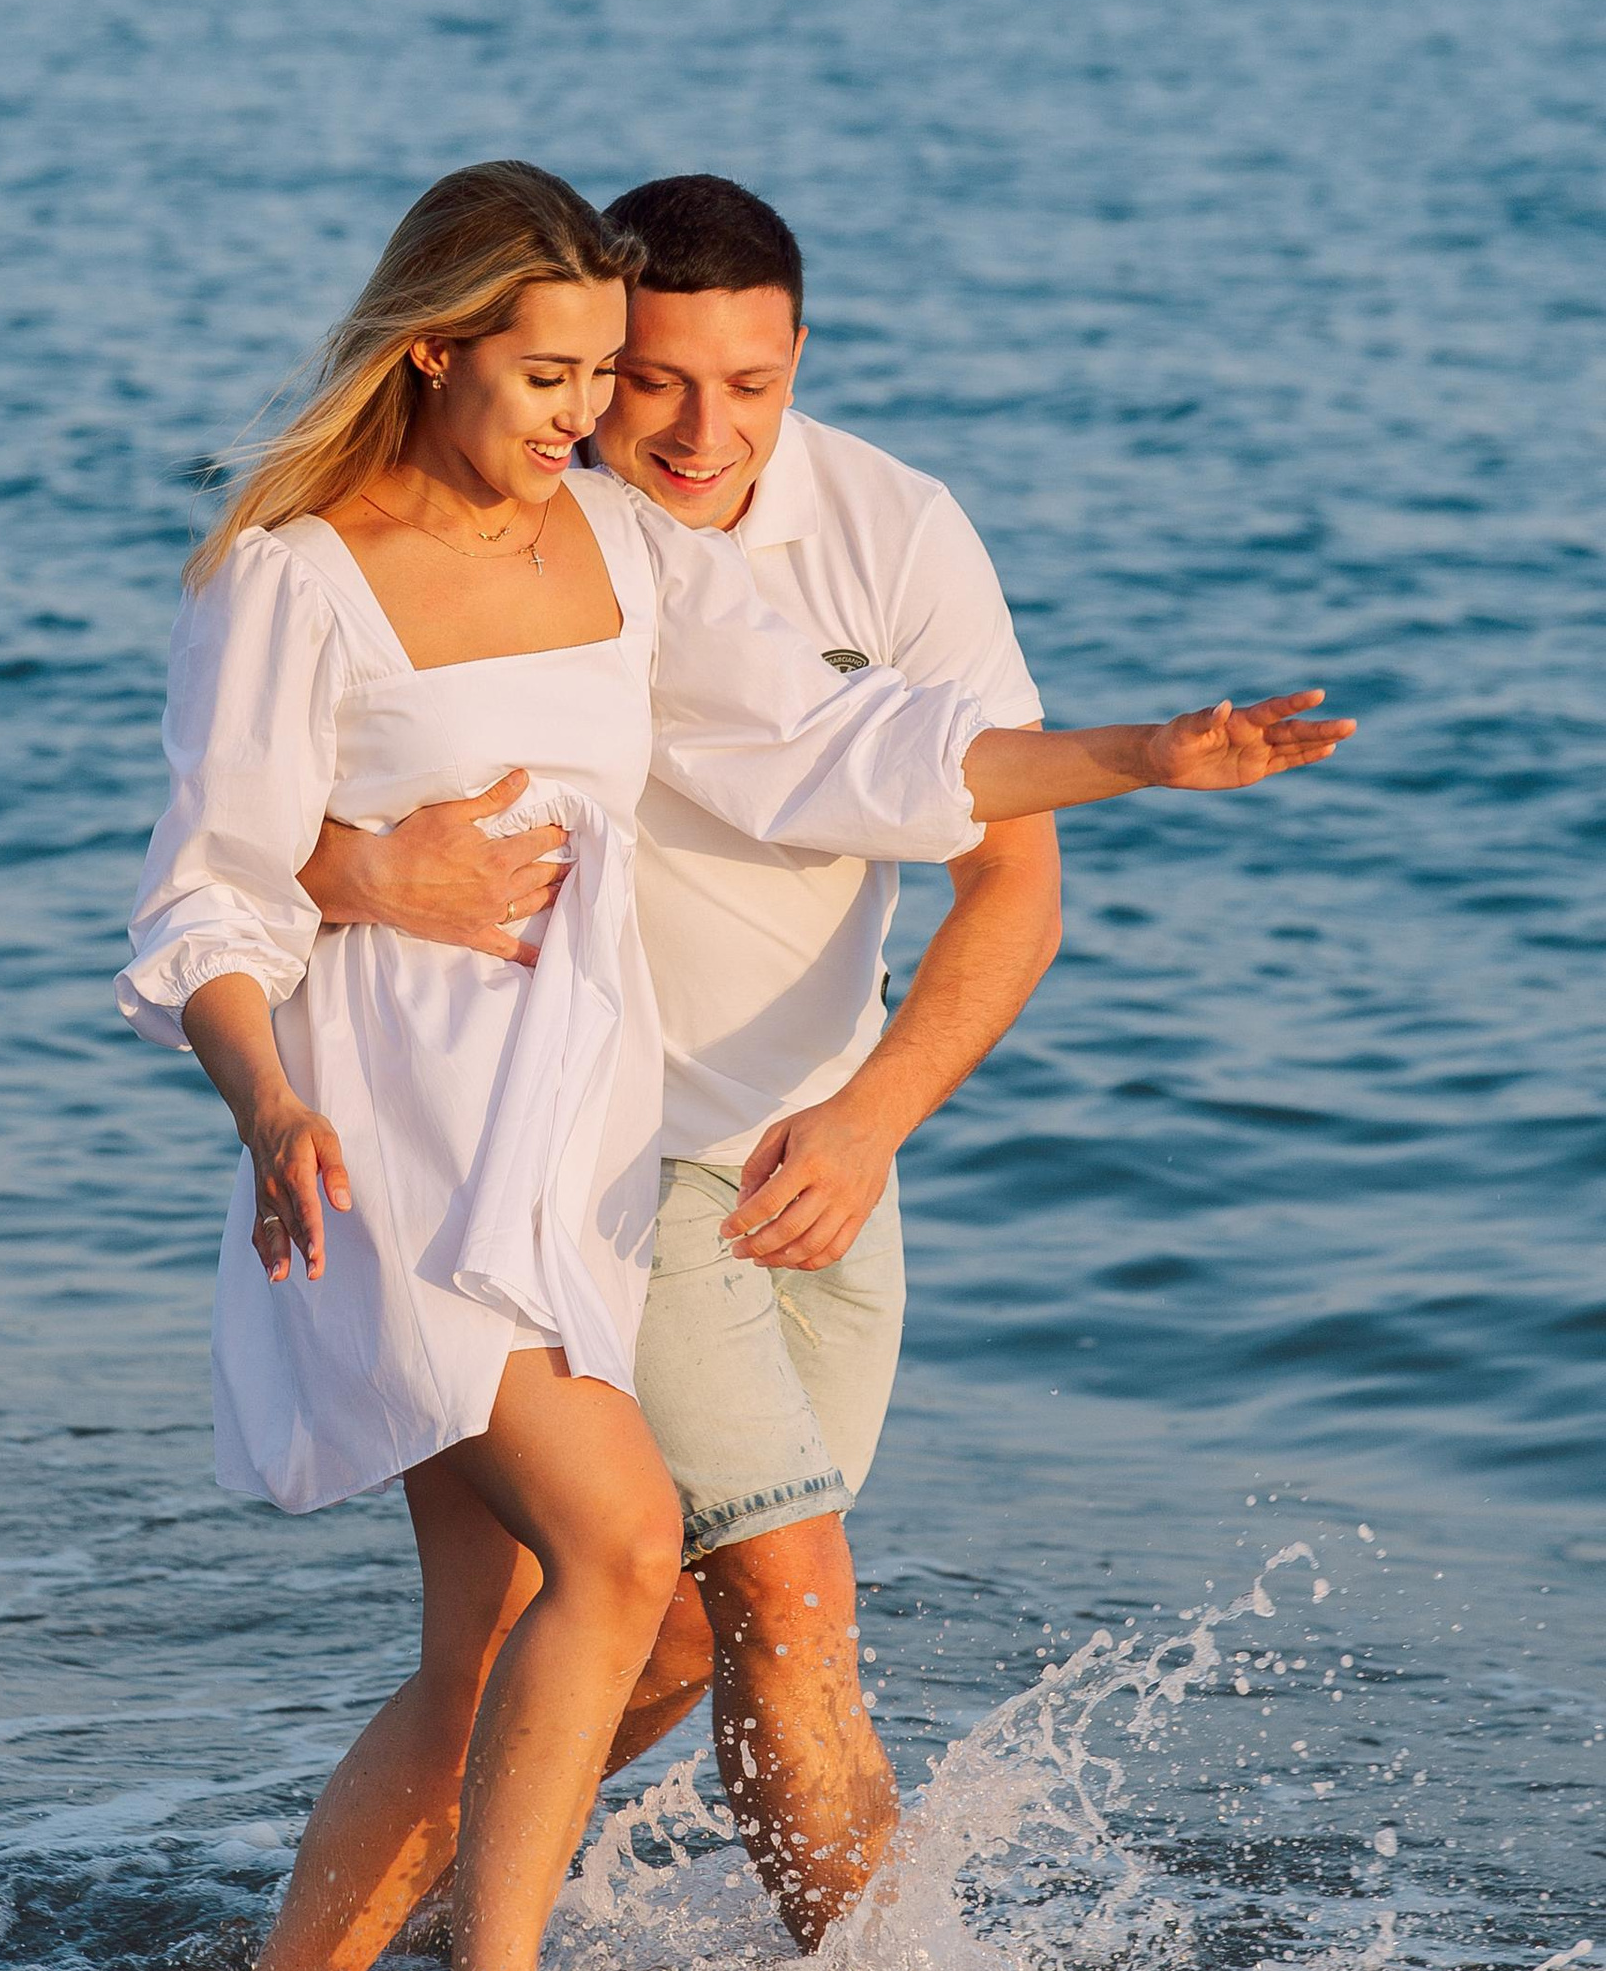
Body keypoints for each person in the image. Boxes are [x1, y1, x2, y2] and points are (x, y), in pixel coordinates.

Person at [117, 160, 1348, 1971]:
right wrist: (276, 1084)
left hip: (574, 1161)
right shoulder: (292, 578)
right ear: (437, 352)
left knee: (507, 1639)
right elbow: (204, 890)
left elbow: (836, 742)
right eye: (568, 379)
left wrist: (1141, 753)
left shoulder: (621, 549)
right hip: (394, 1150)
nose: (599, 421)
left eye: (597, 380)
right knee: (639, 1556)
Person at [296, 175, 1059, 1950]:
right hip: (577, 1166)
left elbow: (1000, 864)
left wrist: (873, 1120)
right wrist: (359, 869)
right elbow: (245, 823)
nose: (701, 432)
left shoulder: (893, 525)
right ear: (584, 362)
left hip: (819, 1153)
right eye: (650, 382)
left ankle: (359, 1937)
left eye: (757, 385)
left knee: (668, 1642)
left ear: (801, 363)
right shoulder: (504, 519)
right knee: (789, 1604)